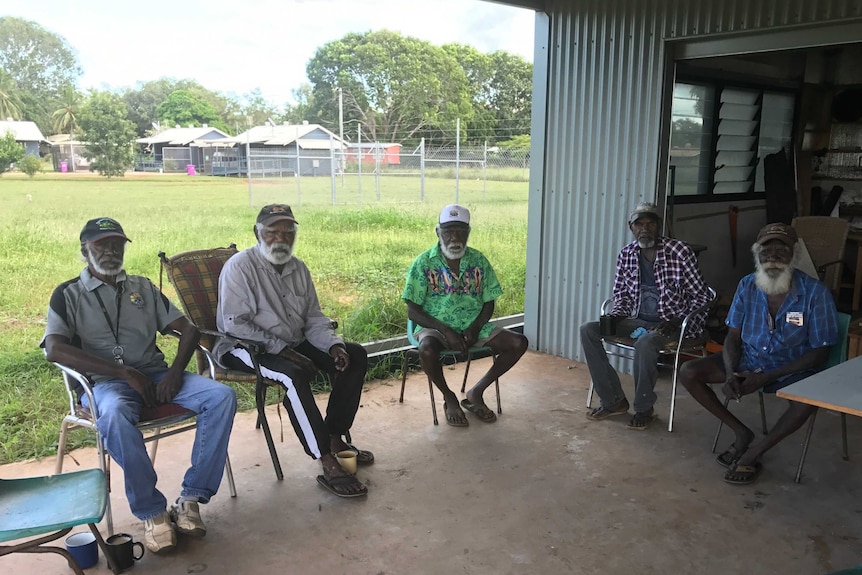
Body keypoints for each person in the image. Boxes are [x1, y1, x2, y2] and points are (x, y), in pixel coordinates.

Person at [42, 217, 237, 554]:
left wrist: (176, 372)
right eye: (101, 244)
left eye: (117, 244)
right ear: (84, 249)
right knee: (115, 415)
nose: (110, 251)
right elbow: (56, 349)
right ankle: (152, 511)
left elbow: (189, 330)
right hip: (106, 384)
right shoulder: (68, 294)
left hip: (157, 376)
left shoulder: (142, 288)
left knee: (221, 396)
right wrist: (123, 373)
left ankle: (191, 498)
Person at [213, 204, 372, 498]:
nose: (281, 239)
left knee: (355, 355)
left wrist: (333, 344)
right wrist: (285, 352)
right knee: (293, 374)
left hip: (292, 341)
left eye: (288, 232)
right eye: (272, 232)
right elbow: (235, 324)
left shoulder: (298, 268)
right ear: (257, 233)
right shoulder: (240, 267)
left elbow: (313, 319)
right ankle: (325, 459)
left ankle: (335, 435)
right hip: (245, 346)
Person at [680, 222, 838, 484]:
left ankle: (754, 453)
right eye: (766, 251)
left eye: (781, 250)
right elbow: (733, 337)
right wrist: (731, 374)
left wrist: (766, 378)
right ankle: (741, 433)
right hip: (749, 359)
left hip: (792, 367)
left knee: (805, 403)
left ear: (795, 255)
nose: (773, 257)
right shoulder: (747, 286)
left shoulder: (816, 293)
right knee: (689, 372)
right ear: (757, 254)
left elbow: (820, 353)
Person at [580, 202, 710, 430]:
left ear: (659, 226)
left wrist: (676, 321)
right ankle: (613, 401)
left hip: (673, 324)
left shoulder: (680, 252)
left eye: (650, 223)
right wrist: (616, 317)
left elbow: (702, 297)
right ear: (631, 227)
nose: (645, 228)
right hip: (639, 321)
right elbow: (621, 295)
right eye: (639, 224)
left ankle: (644, 408)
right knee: (589, 330)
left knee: (646, 342)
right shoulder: (626, 254)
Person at [402, 204, 528, 427]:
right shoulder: (424, 263)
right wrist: (445, 330)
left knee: (518, 342)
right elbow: (413, 310)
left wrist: (476, 327)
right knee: (427, 349)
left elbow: (489, 301)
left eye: (460, 231)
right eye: (448, 231)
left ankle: (476, 392)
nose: (455, 237)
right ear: (438, 232)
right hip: (436, 326)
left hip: (473, 325)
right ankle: (449, 397)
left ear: (468, 233)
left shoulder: (479, 261)